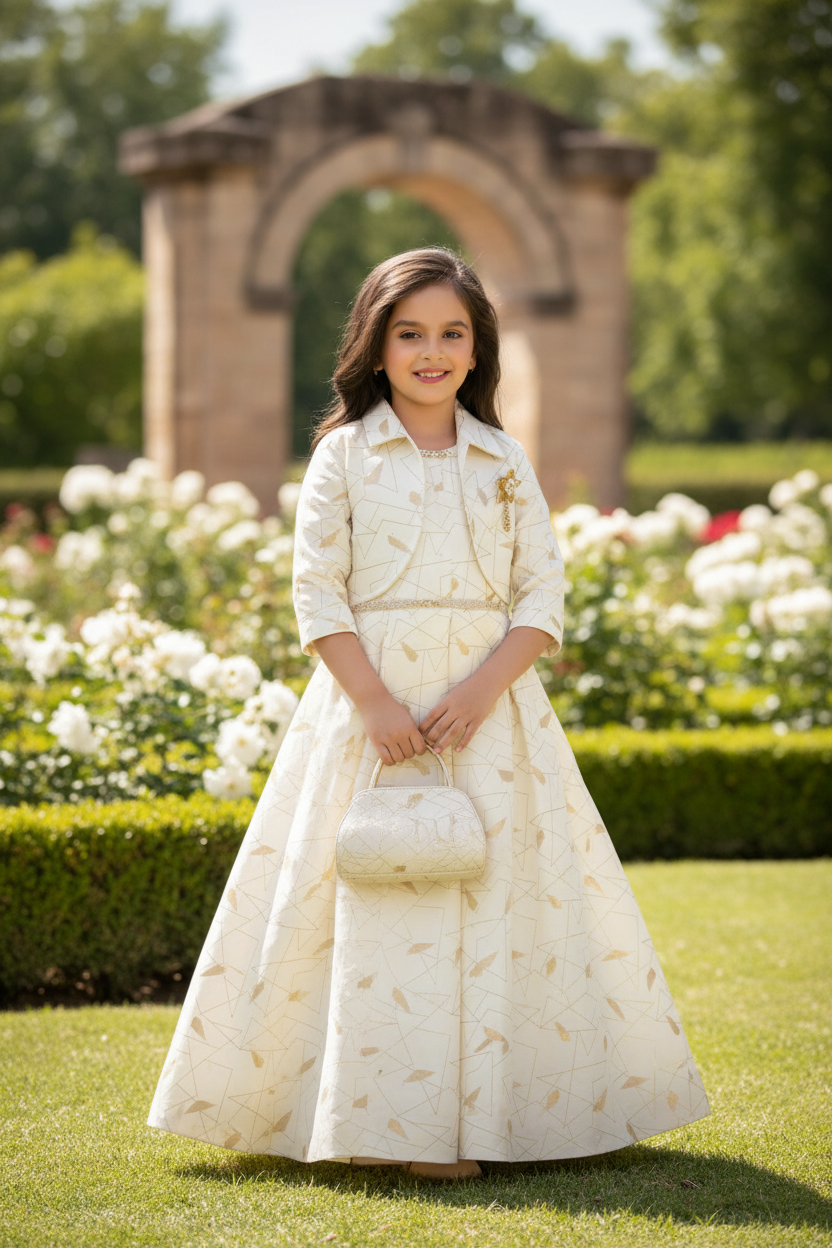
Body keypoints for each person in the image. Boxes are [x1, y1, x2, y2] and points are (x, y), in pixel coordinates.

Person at [148, 247, 709, 1182]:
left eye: (453, 333)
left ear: (479, 349)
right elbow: (317, 593)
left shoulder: (503, 458)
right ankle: (384, 1126)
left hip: (492, 721)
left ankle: (495, 1121)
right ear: (376, 347)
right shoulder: (344, 455)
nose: (432, 351)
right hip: (368, 715)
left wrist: (484, 688)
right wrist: (372, 703)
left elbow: (543, 593)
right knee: (375, 908)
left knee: (496, 904)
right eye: (410, 333)